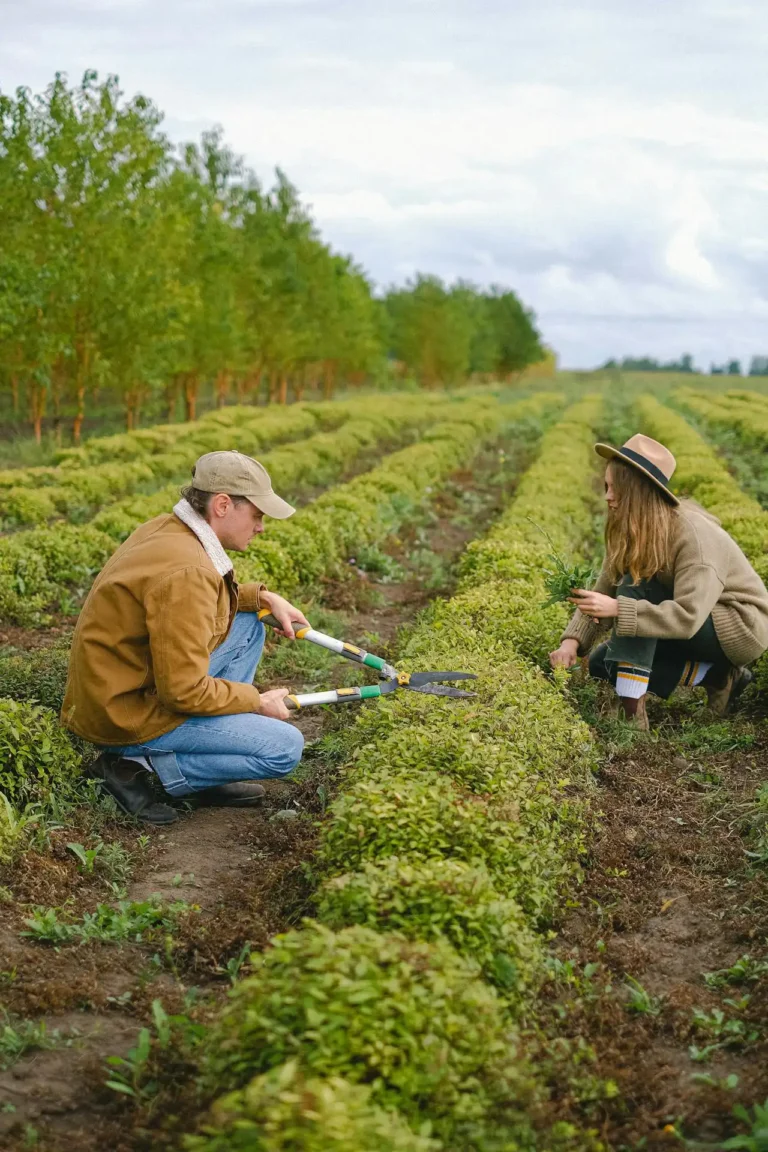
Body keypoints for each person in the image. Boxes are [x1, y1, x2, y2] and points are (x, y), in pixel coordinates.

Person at [61, 450, 308, 824]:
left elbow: (185, 600)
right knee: (284, 747)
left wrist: (262, 597)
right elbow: (183, 691)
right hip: (127, 713)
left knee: (248, 626)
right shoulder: (188, 571)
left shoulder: (168, 529)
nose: (261, 527)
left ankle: (205, 764)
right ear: (223, 505)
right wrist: (254, 701)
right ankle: (136, 766)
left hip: (117, 686)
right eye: (257, 515)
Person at [549, 433, 768, 730]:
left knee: (634, 586)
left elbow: (689, 617)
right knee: (604, 662)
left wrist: (618, 609)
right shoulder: (633, 529)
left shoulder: (694, 538)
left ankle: (632, 717)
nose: (607, 496)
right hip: (690, 621)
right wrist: (571, 644)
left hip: (736, 626)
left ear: (639, 492)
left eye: (615, 489)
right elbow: (603, 590)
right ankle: (718, 677)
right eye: (606, 486)